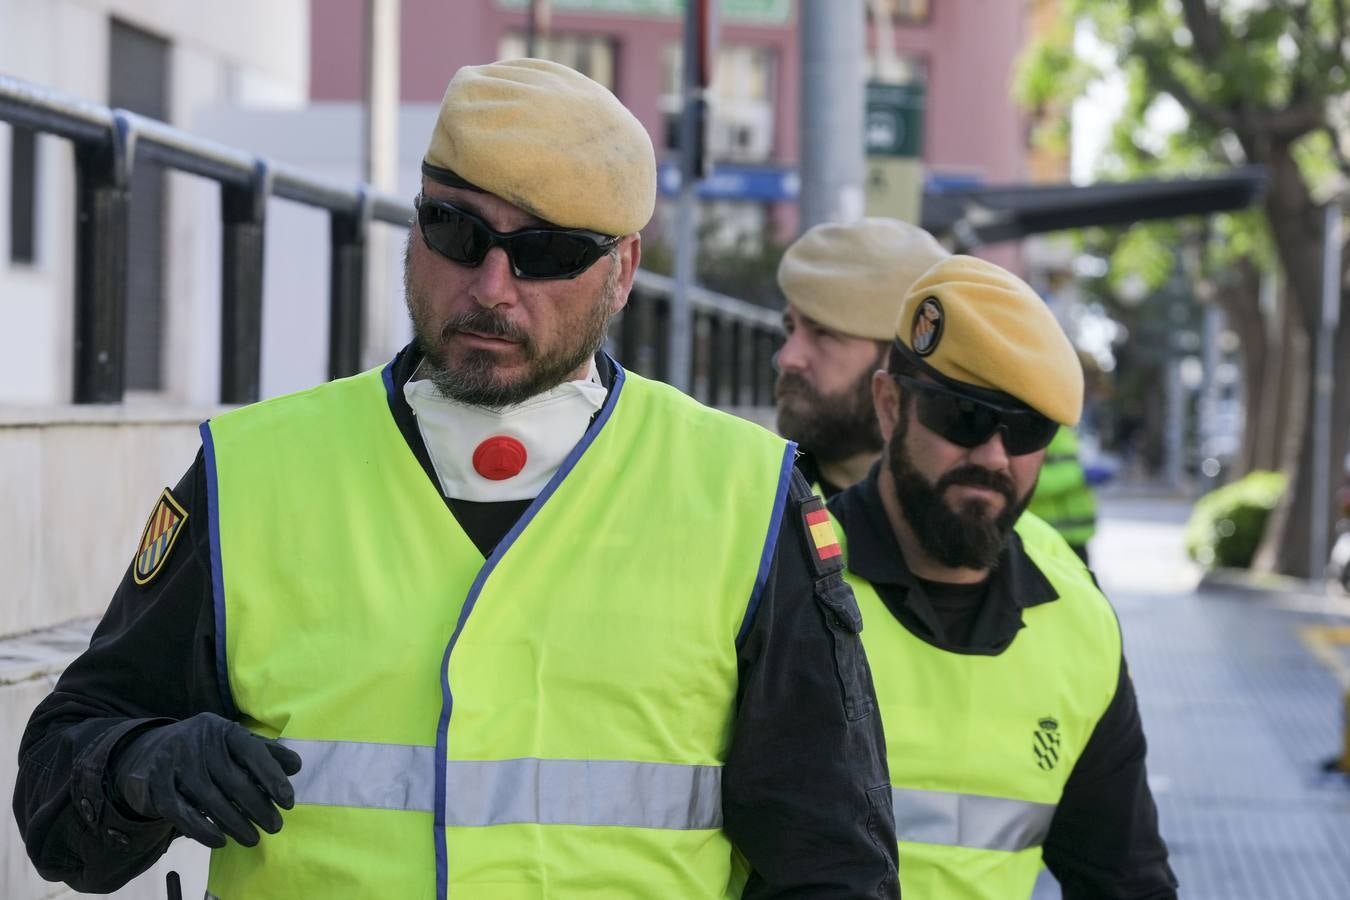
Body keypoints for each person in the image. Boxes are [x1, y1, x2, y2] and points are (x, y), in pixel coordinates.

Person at [14, 59, 898, 900]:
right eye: (455, 231)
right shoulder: (250, 472)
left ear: (623, 271)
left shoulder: (744, 496)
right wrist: (136, 766)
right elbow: (57, 795)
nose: (491, 287)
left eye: (547, 252)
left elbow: (832, 860)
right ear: (414, 222)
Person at [828, 256, 1177, 899]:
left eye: (1024, 429)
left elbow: (1124, 876)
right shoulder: (789, 576)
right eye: (962, 417)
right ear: (889, 405)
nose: (991, 457)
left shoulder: (1077, 615)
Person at [774, 218, 948, 498]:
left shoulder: (1010, 538)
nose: (788, 358)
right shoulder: (754, 503)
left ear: (900, 361)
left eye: (824, 334)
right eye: (790, 329)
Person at [1027, 425, 1098, 565]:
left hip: (1077, 539)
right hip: (1044, 542)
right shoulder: (1035, 428)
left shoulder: (1064, 428)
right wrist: (1080, 475)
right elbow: (1029, 481)